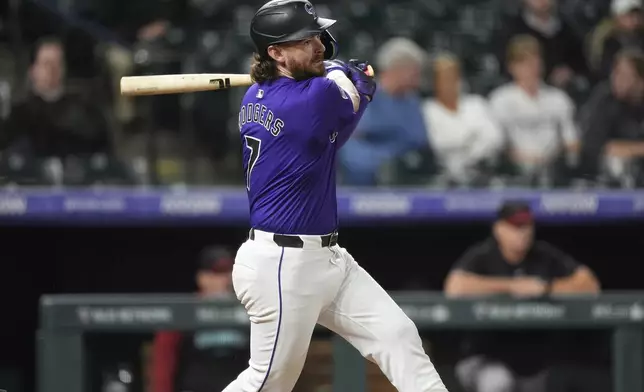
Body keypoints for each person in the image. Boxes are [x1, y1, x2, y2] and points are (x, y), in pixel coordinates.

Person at [226, 1, 448, 391]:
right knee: (267, 383)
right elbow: (347, 91)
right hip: (283, 266)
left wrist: (340, 74)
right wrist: (351, 74)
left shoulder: (257, 98)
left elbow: (334, 137)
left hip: (324, 258)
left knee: (397, 335)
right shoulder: (309, 99)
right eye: (303, 40)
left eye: (315, 36)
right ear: (275, 53)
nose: (317, 45)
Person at [444, 200, 602, 392]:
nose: (524, 232)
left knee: (565, 379)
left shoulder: (544, 254)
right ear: (499, 229)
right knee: (497, 383)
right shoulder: (484, 255)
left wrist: (546, 288)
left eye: (527, 226)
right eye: (516, 226)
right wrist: (513, 286)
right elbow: (455, 286)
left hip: (535, 363)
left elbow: (589, 285)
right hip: (485, 357)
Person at [338, 37, 434, 186]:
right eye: (414, 73)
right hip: (366, 175)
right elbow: (351, 141)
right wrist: (383, 162)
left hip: (406, 173)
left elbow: (419, 141)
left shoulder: (412, 102)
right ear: (398, 70)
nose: (418, 80)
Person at [151, 246, 249, 392]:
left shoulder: (250, 309)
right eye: (217, 273)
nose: (226, 279)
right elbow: (163, 364)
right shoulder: (184, 312)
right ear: (202, 278)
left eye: (229, 272)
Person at [489, 35, 579, 185]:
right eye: (524, 62)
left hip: (555, 172)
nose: (531, 67)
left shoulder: (558, 98)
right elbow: (498, 145)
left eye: (535, 61)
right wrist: (522, 159)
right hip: (514, 174)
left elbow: (572, 142)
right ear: (512, 67)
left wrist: (553, 158)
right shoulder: (500, 100)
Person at [422, 52, 503, 186]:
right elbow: (438, 142)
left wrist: (471, 154)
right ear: (435, 82)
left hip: (481, 172)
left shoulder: (476, 104)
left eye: (454, 77)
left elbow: (495, 138)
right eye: (445, 78)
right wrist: (471, 137)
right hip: (445, 176)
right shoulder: (428, 110)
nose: (451, 83)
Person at [578, 49, 644, 186]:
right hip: (606, 177)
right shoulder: (604, 98)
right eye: (615, 73)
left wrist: (628, 149)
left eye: (624, 75)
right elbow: (594, 145)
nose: (616, 80)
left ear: (640, 81)